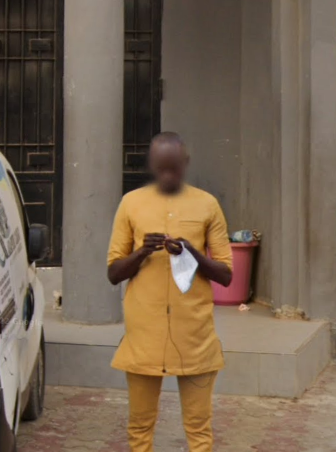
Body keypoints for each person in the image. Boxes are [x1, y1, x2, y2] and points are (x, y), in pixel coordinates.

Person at [106, 132, 233, 452]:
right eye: (161, 169)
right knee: (140, 426)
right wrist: (141, 252)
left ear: (185, 164)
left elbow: (226, 275)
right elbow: (113, 273)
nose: (167, 176)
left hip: (195, 338)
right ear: (151, 165)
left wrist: (193, 253)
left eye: (173, 169)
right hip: (144, 338)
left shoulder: (207, 205)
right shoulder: (131, 203)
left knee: (199, 429)